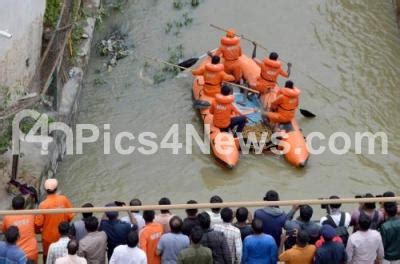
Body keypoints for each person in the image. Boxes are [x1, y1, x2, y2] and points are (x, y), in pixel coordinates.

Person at [34, 179, 74, 261]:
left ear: (45, 190)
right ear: (56, 188)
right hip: (63, 235)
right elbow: (70, 216)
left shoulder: (43, 205)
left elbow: (38, 224)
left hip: (48, 238)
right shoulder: (63, 199)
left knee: (47, 256)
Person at [2, 196, 38, 263]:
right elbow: (36, 226)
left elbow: (4, 231)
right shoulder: (31, 214)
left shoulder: (7, 217)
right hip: (32, 252)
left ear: (12, 206)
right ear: (24, 206)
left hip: (16, 255)